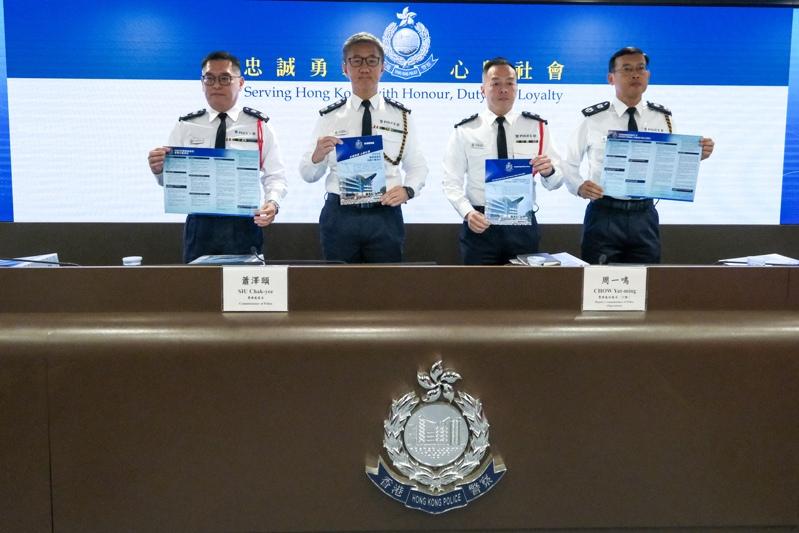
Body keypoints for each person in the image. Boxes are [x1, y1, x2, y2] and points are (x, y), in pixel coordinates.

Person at [564, 46, 715, 264]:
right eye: (627, 69)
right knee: (599, 280)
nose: (635, 74)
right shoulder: (593, 118)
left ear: (648, 75)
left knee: (646, 279)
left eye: (640, 68)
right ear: (611, 78)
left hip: (644, 215)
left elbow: (669, 163)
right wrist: (579, 186)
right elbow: (568, 163)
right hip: (604, 214)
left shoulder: (663, 118)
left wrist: (694, 155)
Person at [298, 32, 427, 263]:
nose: (364, 68)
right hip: (340, 215)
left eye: (372, 60)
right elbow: (308, 175)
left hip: (384, 214)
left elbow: (417, 166)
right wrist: (317, 157)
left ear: (383, 67)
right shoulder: (329, 117)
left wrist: (408, 190)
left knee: (386, 283)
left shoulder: (401, 116)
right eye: (356, 61)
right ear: (345, 68)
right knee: (338, 283)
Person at [147, 51, 287, 263]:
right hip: (200, 225)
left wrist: (272, 203)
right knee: (198, 283)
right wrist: (159, 170)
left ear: (240, 83)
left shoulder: (259, 126)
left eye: (225, 78)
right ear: (202, 83)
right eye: (209, 79)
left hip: (244, 223)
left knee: (244, 284)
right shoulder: (186, 125)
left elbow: (275, 176)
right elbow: (171, 180)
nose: (216, 85)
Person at [442, 57, 563, 265]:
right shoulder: (466, 130)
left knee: (522, 285)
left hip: (522, 222)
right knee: (479, 285)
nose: (503, 89)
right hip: (481, 223)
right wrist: (467, 213)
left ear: (517, 88)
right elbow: (450, 182)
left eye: (510, 83)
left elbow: (556, 181)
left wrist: (549, 172)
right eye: (495, 83)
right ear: (482, 89)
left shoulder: (537, 127)